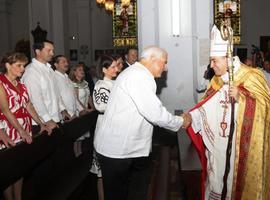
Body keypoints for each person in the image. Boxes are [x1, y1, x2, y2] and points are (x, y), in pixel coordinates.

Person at [94, 46, 191, 200]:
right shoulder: (139, 76)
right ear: (152, 59)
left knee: (132, 189)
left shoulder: (137, 73)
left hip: (124, 147)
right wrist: (180, 122)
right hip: (116, 149)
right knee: (117, 195)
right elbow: (155, 113)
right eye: (164, 63)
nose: (165, 68)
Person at [186, 25, 270, 200]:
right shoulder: (217, 80)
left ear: (227, 58)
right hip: (219, 144)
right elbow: (206, 106)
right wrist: (190, 117)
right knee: (217, 181)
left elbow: (266, 106)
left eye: (214, 60)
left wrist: (243, 98)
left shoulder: (252, 76)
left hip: (240, 148)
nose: (211, 65)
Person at [0, 52, 51, 200]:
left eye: (23, 65)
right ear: (8, 66)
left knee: (20, 167)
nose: (22, 69)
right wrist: (21, 131)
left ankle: (19, 197)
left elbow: (28, 105)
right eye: (19, 65)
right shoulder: (1, 83)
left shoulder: (21, 84)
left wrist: (42, 123)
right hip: (9, 129)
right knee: (9, 170)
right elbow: (5, 110)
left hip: (25, 127)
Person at [21, 40, 71, 129]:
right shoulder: (31, 71)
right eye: (49, 50)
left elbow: (56, 93)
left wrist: (62, 110)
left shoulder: (50, 69)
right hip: (41, 123)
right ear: (38, 51)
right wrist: (47, 120)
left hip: (55, 118)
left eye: (53, 50)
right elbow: (35, 99)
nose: (52, 53)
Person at [90, 55, 118, 200]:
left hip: (115, 130)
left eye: (116, 66)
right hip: (105, 131)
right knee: (102, 173)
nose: (116, 69)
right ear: (104, 69)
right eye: (112, 67)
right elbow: (101, 107)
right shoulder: (101, 85)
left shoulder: (115, 83)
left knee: (113, 172)